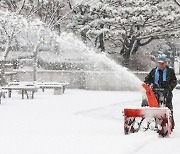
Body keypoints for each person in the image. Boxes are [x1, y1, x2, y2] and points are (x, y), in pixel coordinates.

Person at [144, 55, 177, 130]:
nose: (161, 65)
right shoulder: (153, 71)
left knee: (168, 108)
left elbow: (174, 81)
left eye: (162, 63)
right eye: (159, 63)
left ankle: (170, 124)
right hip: (155, 92)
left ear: (166, 63)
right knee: (154, 108)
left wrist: (169, 87)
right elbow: (147, 80)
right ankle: (155, 123)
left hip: (167, 92)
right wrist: (149, 85)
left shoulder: (170, 71)